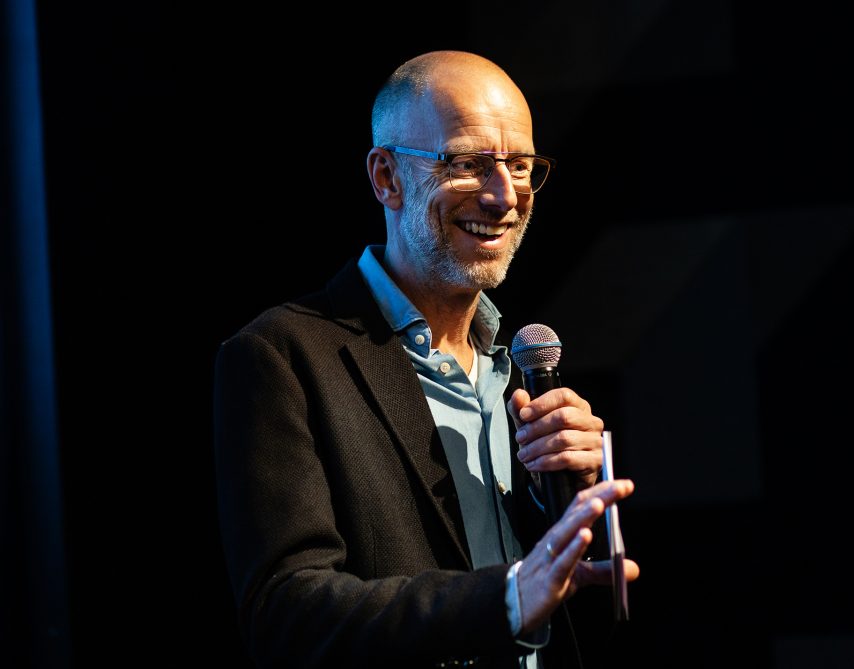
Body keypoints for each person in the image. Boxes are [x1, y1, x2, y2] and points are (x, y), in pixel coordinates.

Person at [213, 50, 638, 668]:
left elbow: (578, 625)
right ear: (386, 177)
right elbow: (287, 614)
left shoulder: (519, 370)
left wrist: (568, 507)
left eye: (520, 167)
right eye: (467, 164)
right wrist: (507, 599)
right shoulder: (282, 358)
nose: (503, 197)